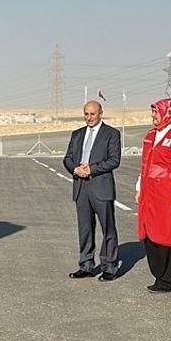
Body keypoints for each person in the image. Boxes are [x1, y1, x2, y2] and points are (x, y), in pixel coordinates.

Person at [63, 100, 122, 281]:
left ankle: (109, 266)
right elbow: (68, 158)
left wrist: (92, 169)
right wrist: (75, 169)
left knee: (108, 228)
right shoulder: (77, 134)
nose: (89, 118)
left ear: (100, 114)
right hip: (81, 187)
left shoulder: (111, 134)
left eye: (92, 114)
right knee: (85, 229)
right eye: (86, 114)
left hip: (101, 186)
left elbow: (114, 160)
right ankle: (86, 264)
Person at [135, 98, 171, 293]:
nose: (153, 116)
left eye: (156, 112)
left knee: (165, 234)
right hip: (150, 194)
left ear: (168, 113)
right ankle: (158, 274)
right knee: (150, 232)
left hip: (167, 194)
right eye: (153, 112)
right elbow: (144, 165)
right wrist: (139, 186)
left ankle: (168, 280)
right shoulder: (151, 135)